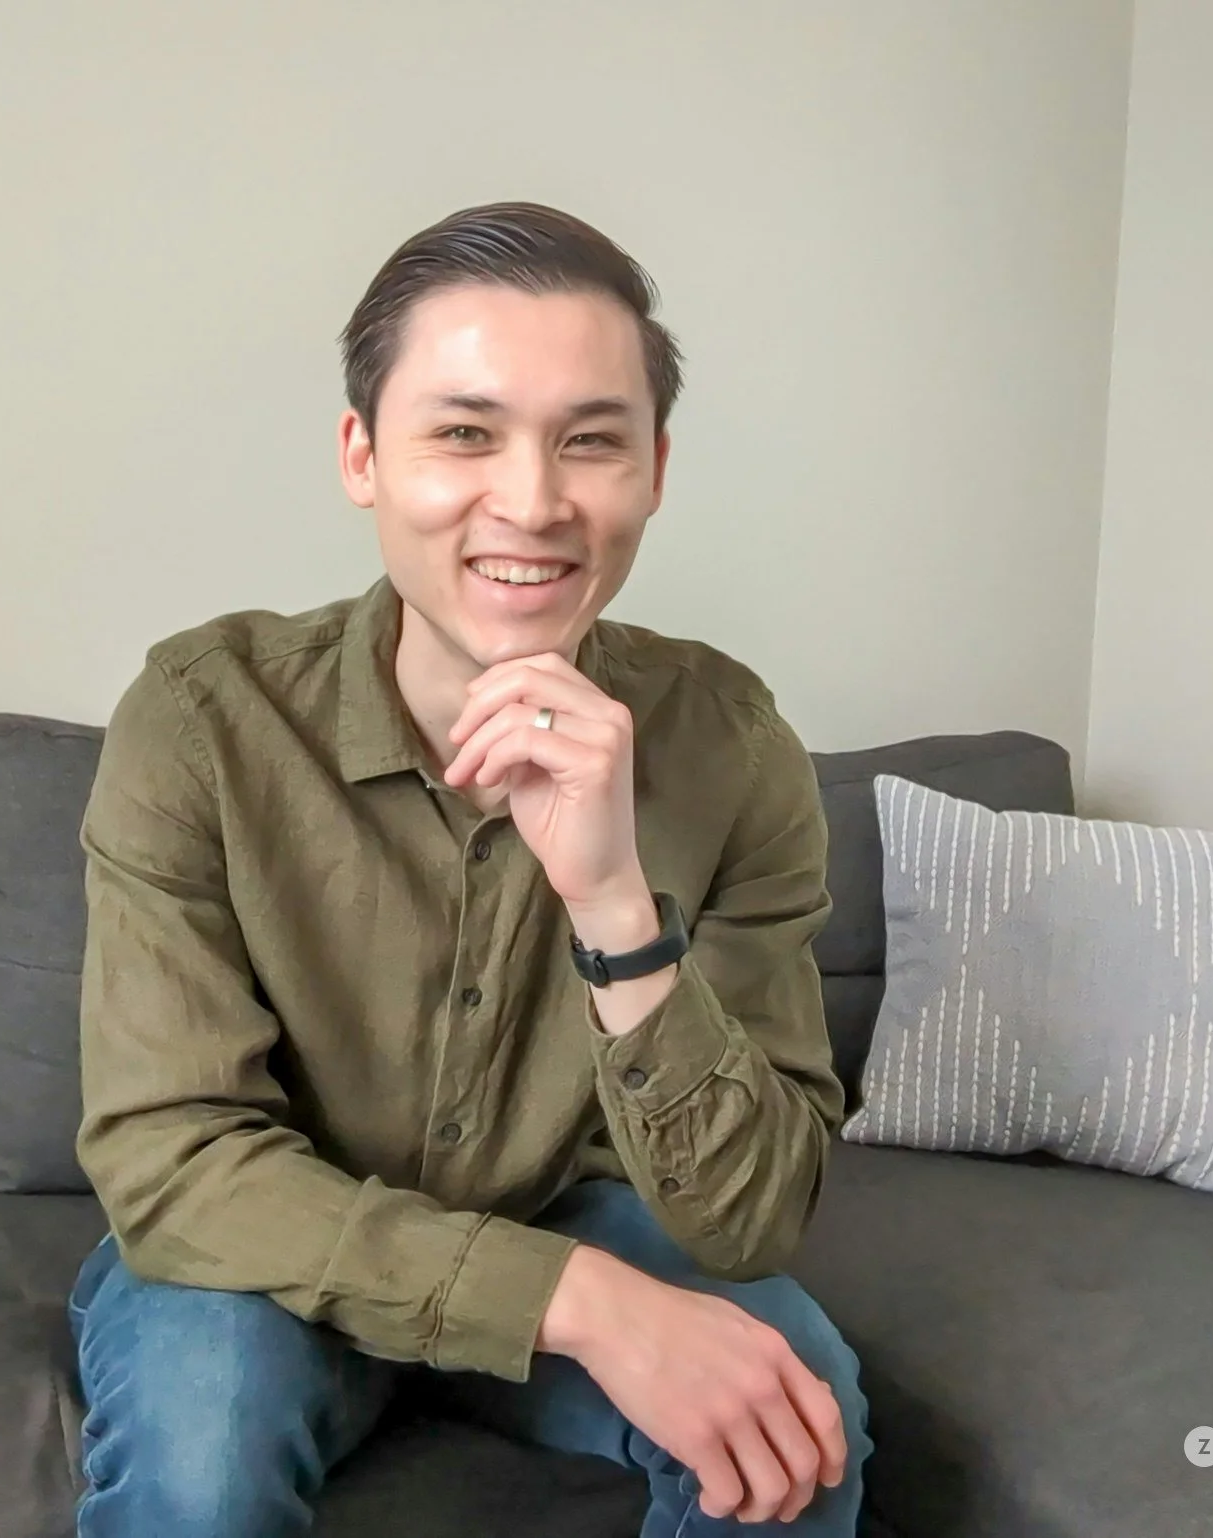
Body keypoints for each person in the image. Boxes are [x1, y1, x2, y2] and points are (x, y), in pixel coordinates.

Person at [68, 200, 872, 1538]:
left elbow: (754, 1215)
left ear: (655, 469)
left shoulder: (731, 747)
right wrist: (578, 1303)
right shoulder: (202, 719)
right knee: (200, 1466)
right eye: (464, 431)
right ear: (362, 455)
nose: (535, 500)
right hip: (259, 1242)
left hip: (571, 1205)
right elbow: (174, 1159)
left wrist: (618, 911)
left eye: (590, 441)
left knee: (797, 1422)